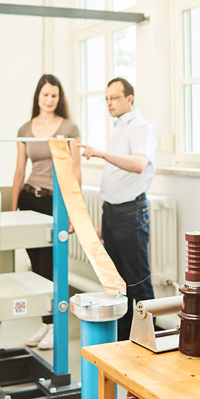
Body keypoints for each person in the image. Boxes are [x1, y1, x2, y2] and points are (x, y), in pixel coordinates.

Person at [79, 78, 157, 341]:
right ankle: (124, 341)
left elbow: (138, 165)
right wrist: (104, 218)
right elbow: (115, 177)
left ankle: (149, 343)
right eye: (106, 98)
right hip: (112, 212)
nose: (109, 103)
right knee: (117, 284)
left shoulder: (140, 128)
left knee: (137, 283)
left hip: (131, 214)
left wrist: (100, 153)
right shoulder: (119, 127)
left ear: (129, 98)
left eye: (114, 97)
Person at [12, 74, 82, 350]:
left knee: (53, 266)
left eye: (54, 95)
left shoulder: (69, 128)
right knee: (36, 268)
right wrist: (14, 207)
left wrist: (74, 211)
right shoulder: (25, 129)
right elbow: (19, 171)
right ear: (38, 98)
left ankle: (56, 326)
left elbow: (76, 171)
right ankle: (46, 323)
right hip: (30, 200)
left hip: (56, 202)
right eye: (45, 95)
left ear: (59, 98)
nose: (49, 100)